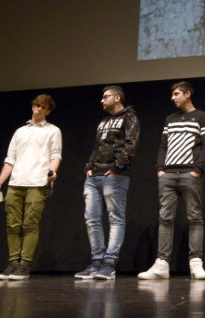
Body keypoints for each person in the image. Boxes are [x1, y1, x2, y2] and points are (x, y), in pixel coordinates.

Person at [138, 81, 205, 280]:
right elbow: (163, 146)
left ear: (187, 94)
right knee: (165, 218)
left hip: (190, 174)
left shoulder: (201, 117)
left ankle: (196, 263)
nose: (173, 98)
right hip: (168, 175)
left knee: (195, 218)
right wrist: (160, 170)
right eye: (172, 94)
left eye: (177, 94)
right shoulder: (170, 118)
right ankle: (162, 264)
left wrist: (197, 170)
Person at [0, 94, 62, 281]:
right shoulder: (20, 131)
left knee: (30, 224)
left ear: (48, 111)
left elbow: (56, 154)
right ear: (32, 106)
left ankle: (24, 265)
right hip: (15, 182)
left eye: (43, 107)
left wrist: (52, 171)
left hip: (37, 182)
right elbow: (10, 160)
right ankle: (13, 262)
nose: (38, 110)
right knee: (12, 225)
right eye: (36, 106)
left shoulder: (53, 131)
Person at [75, 86, 140, 280]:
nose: (102, 101)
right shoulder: (103, 121)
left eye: (105, 97)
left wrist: (118, 168)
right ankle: (96, 262)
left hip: (114, 176)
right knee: (92, 219)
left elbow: (132, 144)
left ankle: (109, 263)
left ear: (117, 97)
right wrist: (89, 166)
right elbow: (97, 147)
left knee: (115, 218)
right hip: (94, 175)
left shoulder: (130, 118)